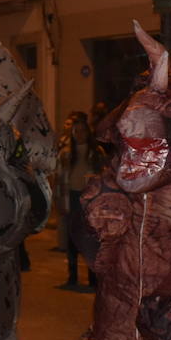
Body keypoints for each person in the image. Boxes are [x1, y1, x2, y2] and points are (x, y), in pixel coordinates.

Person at [56, 111, 103, 289]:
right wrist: (59, 201)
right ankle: (72, 276)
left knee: (90, 239)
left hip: (89, 200)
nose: (79, 134)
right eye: (76, 131)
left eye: (82, 131)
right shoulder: (66, 154)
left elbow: (102, 177)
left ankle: (93, 279)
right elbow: (60, 180)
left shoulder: (96, 153)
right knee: (72, 239)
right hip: (72, 198)